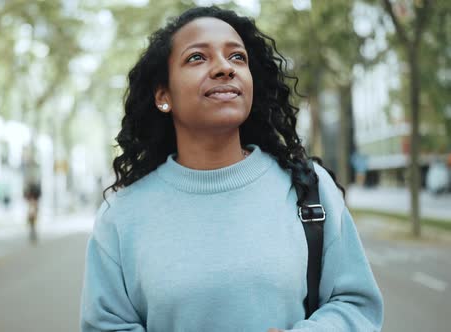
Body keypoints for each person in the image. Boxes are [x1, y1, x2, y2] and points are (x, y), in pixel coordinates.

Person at [80, 6, 383, 332]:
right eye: (197, 57)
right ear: (163, 95)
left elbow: (356, 304)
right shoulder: (121, 216)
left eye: (237, 57)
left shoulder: (309, 189)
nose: (225, 68)